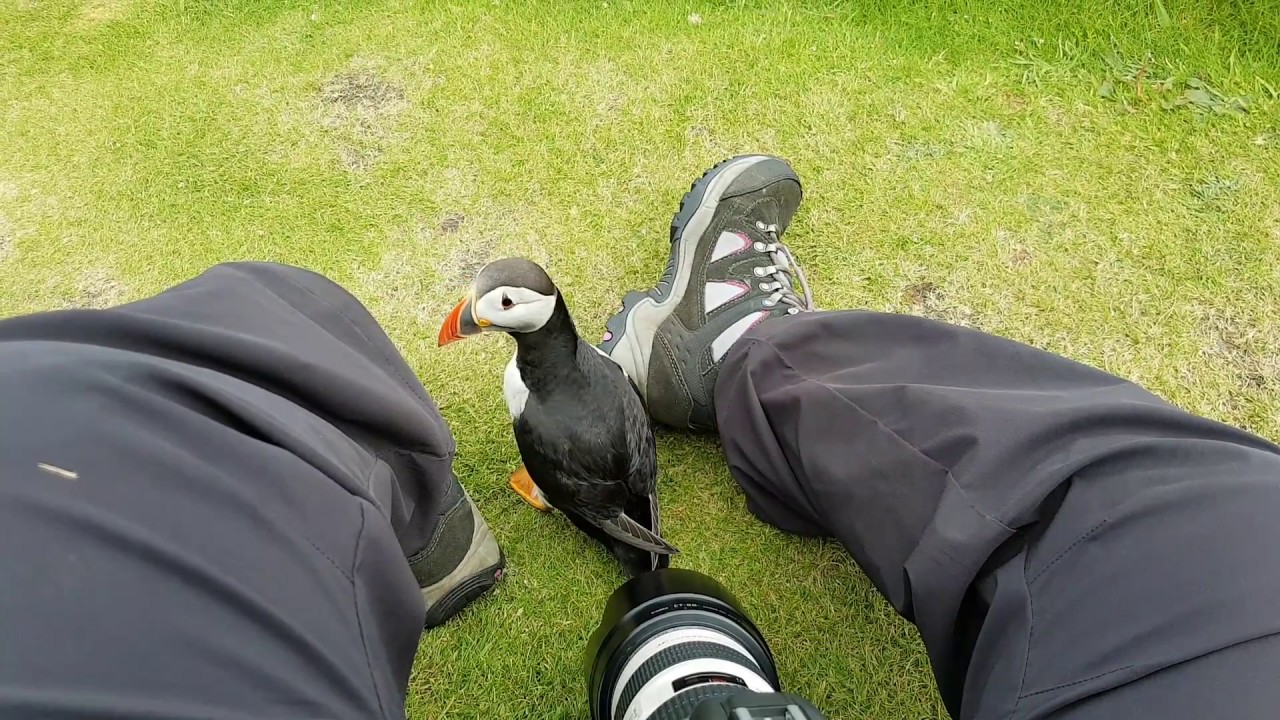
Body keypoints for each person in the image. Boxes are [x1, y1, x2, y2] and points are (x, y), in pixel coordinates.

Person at [0, 155, 1276, 719]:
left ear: (532, 313)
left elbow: (593, 466)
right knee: (1125, 499)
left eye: (494, 306)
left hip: (588, 477)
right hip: (1218, 608)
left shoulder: (532, 396)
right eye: (481, 305)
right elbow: (617, 447)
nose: (472, 315)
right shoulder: (587, 373)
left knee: (206, 364)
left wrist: (606, 524)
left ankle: (460, 526)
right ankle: (739, 366)